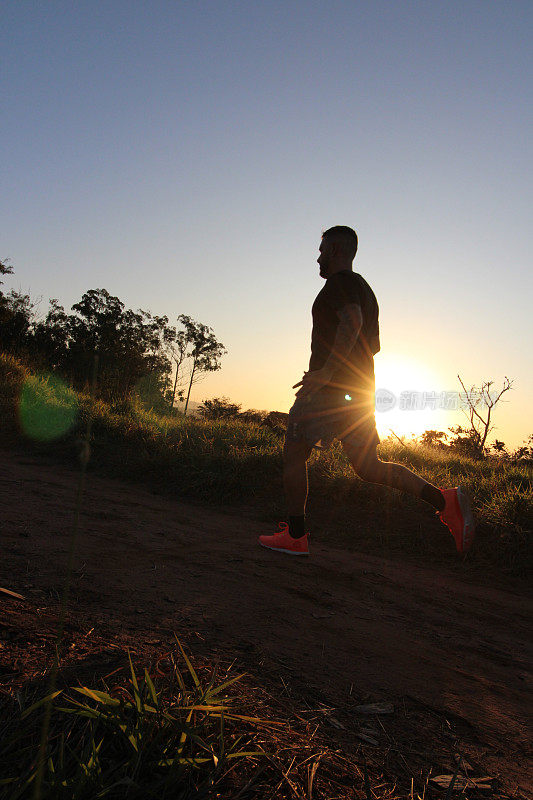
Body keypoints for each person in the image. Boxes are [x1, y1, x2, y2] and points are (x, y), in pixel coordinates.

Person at [258, 225, 475, 557]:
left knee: (293, 452)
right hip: (357, 391)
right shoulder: (365, 289)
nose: (318, 257)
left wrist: (327, 373)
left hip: (329, 391)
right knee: (368, 466)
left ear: (336, 250)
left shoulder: (341, 284)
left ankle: (296, 537)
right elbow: (370, 347)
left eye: (321, 250)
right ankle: (444, 500)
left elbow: (352, 322)